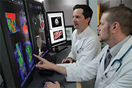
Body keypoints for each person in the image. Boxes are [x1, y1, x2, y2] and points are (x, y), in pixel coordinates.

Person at [34, 6, 132, 88]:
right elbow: (87, 69)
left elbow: (84, 68)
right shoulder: (108, 49)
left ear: (114, 27)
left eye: (101, 24)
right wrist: (52, 66)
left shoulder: (129, 66)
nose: (98, 28)